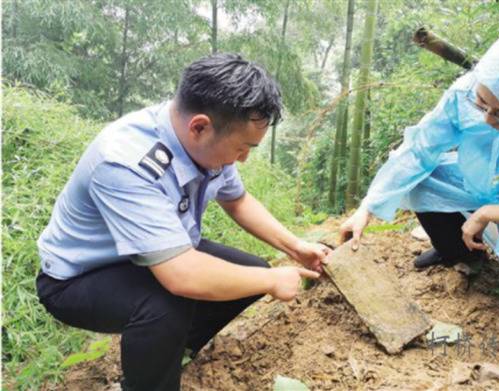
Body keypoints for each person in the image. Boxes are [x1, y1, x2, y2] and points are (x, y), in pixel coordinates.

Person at [36, 53, 330, 390]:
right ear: (200, 127)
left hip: (155, 253)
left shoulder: (209, 140)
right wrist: (271, 280)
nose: (244, 158)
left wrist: (296, 248)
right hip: (79, 278)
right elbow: (181, 276)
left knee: (248, 270)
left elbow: (238, 201)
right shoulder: (123, 161)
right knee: (167, 302)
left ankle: (170, 352)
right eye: (243, 148)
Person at [340, 23, 499, 329]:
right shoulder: (469, 88)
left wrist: (490, 213)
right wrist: (367, 207)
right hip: (480, 179)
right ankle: (459, 253)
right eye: (482, 105)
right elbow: (420, 148)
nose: (487, 119)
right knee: (420, 177)